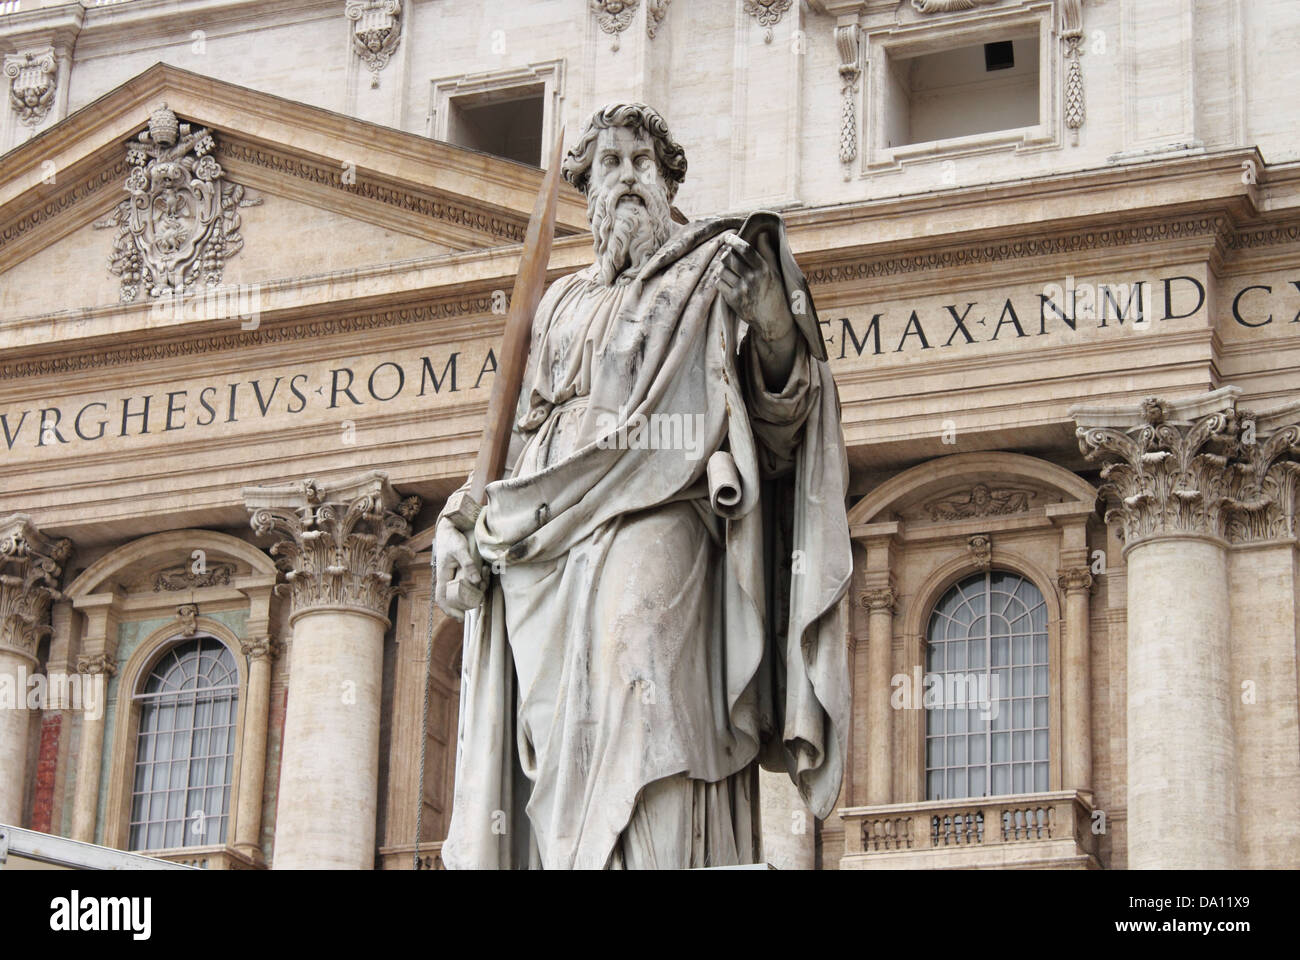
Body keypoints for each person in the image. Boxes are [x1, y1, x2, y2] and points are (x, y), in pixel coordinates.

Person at [436, 102, 851, 869]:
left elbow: (783, 420)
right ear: (586, 191)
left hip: (663, 502)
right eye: (610, 166)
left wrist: (770, 323)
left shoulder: (710, 274)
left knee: (641, 658)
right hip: (547, 531)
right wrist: (463, 519)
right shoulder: (558, 301)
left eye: (642, 164)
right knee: (566, 719)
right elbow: (512, 437)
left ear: (667, 183)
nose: (627, 178)